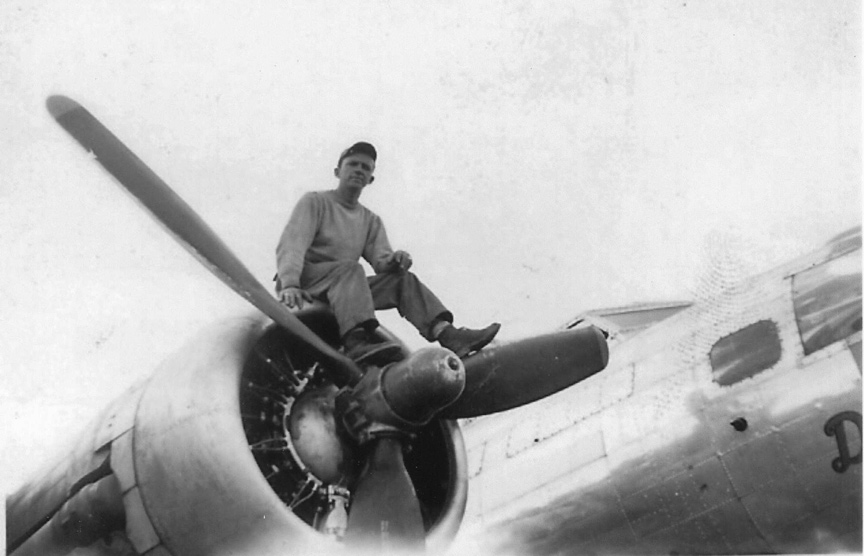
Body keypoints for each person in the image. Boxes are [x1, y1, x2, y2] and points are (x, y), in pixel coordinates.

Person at [275, 141, 500, 364]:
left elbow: (381, 260)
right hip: (308, 283)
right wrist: (290, 283)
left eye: (365, 167)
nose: (358, 170)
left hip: (345, 290)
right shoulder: (315, 202)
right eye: (353, 164)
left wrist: (395, 261)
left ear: (371, 179)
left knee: (402, 280)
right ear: (337, 171)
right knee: (351, 269)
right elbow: (292, 244)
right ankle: (357, 341)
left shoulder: (370, 220)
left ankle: (449, 335)